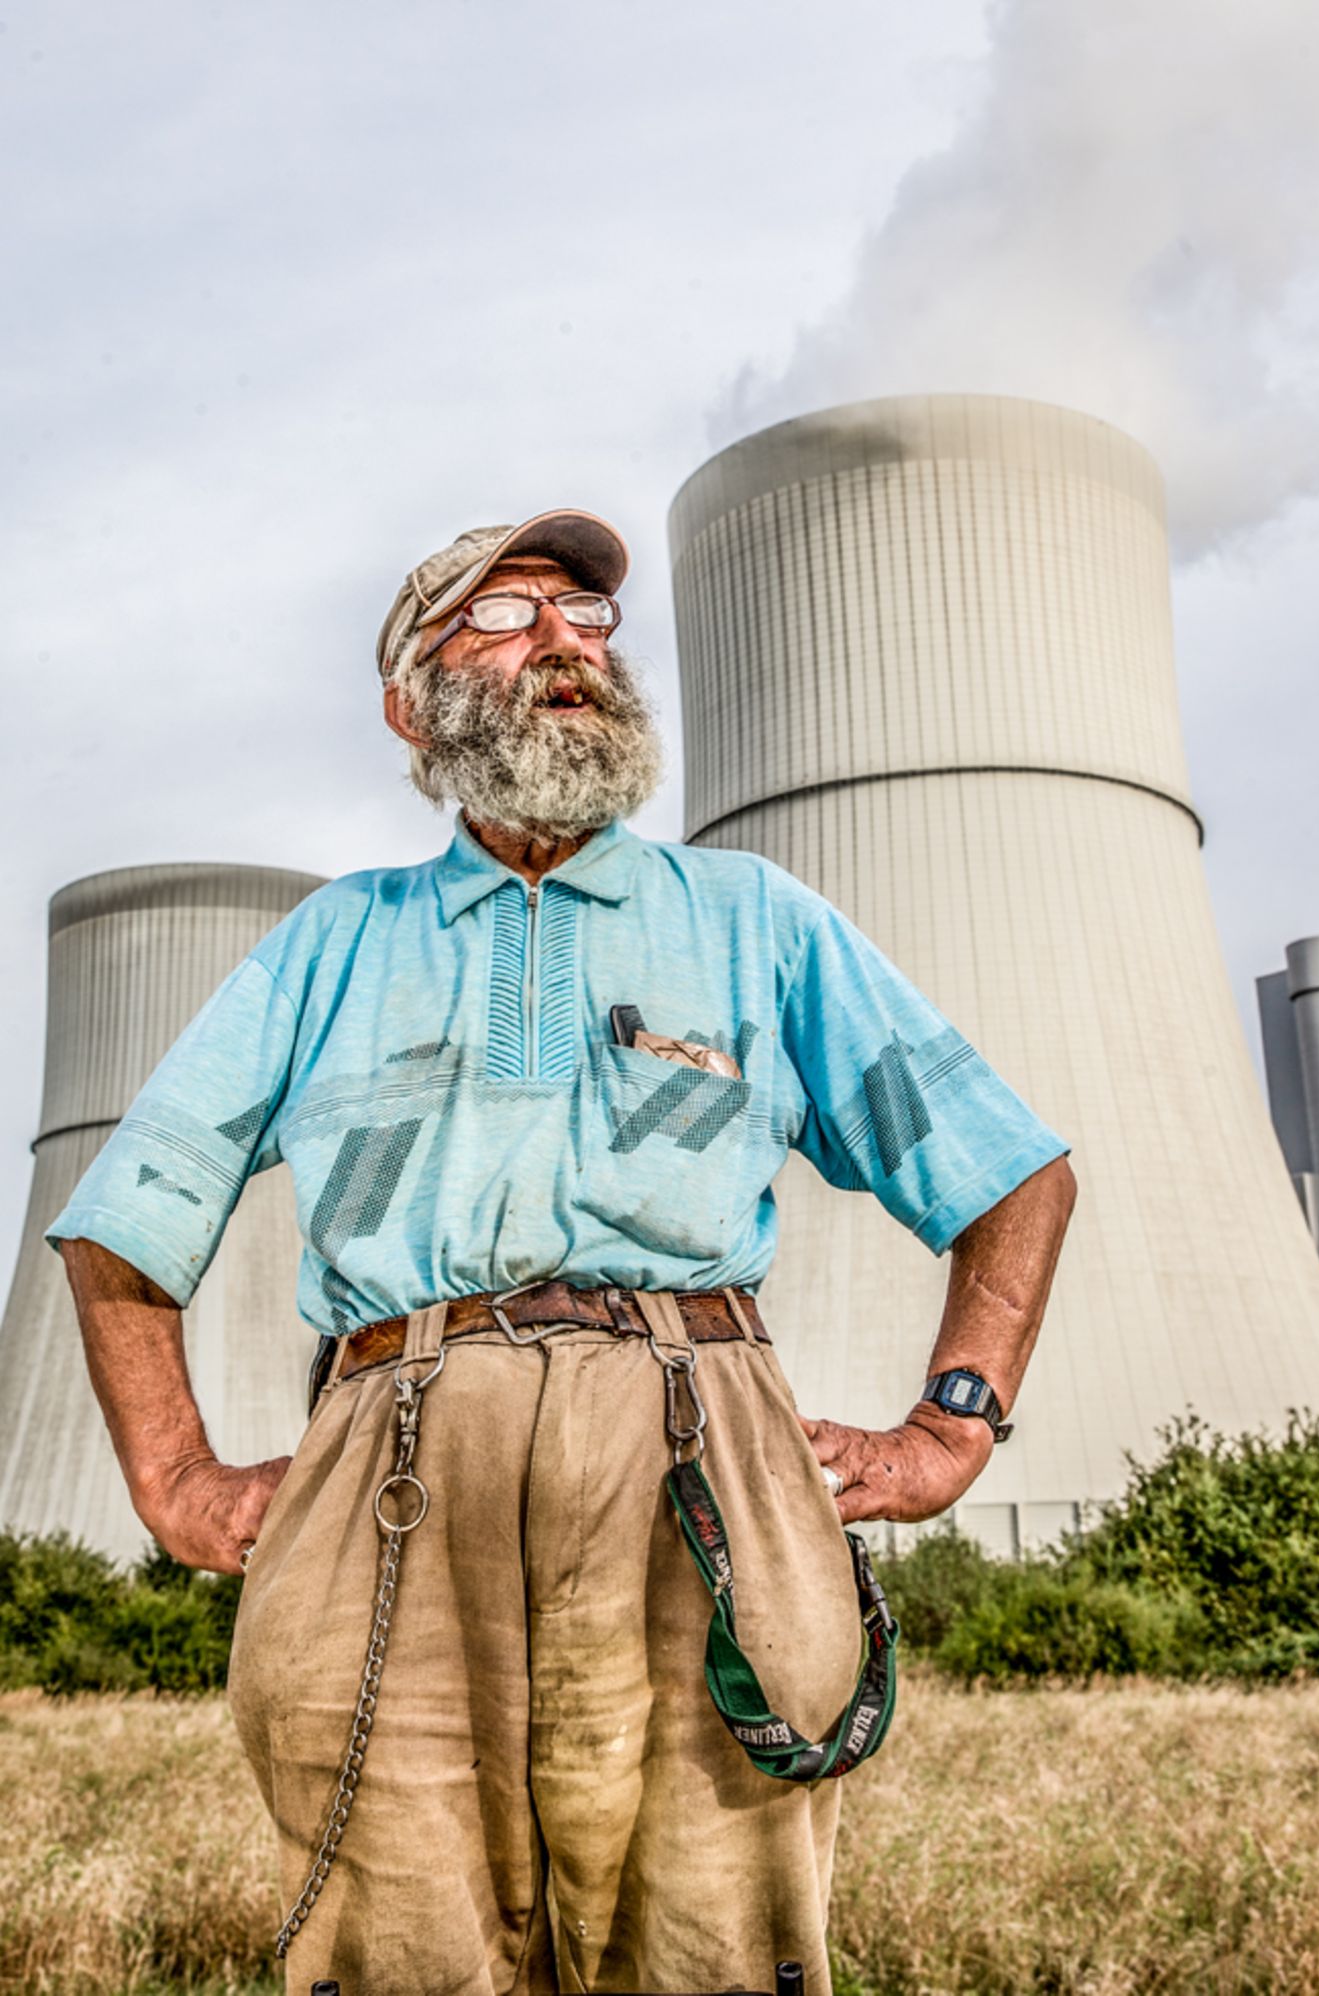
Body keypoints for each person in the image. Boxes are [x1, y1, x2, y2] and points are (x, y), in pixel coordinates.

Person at [51, 509, 1076, 1996]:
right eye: (506, 614)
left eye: (586, 618)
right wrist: (176, 1480)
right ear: (412, 705)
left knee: (714, 1941)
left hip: (694, 1456)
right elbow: (124, 1219)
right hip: (390, 1465)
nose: (561, 643)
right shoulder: (337, 942)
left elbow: (1010, 1172)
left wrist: (950, 1428)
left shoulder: (748, 921)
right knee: (395, 1940)